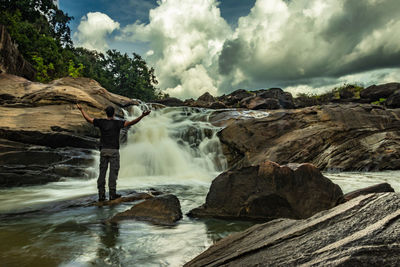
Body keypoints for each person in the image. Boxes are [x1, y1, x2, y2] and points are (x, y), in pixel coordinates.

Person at [77, 103, 151, 201]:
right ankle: (112, 194)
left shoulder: (101, 122)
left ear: (106, 113)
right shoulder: (118, 123)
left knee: (102, 173)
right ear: (114, 113)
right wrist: (142, 115)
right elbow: (132, 122)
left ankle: (101, 195)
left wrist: (81, 109)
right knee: (113, 173)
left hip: (103, 150)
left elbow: (88, 119)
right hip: (114, 151)